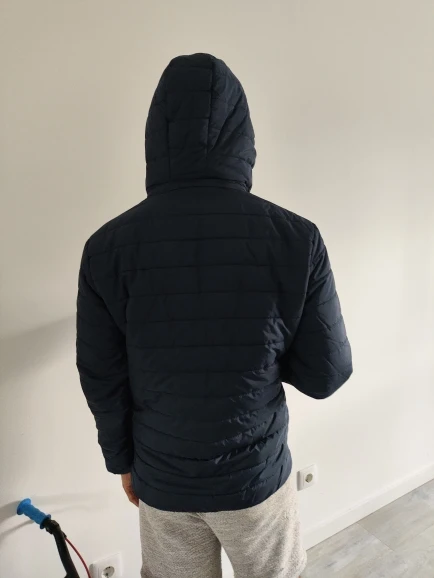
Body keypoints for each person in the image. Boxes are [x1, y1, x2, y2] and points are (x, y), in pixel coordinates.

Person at [76, 53, 352, 578]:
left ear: (155, 138)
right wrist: (267, 356)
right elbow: (328, 374)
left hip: (162, 478)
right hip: (255, 479)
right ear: (242, 137)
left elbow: (101, 376)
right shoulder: (295, 238)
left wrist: (122, 462)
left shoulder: (106, 248)